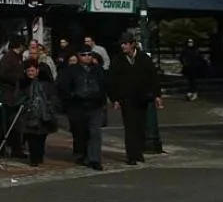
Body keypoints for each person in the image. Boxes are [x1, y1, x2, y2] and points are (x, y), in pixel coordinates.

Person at [107, 30, 161, 165]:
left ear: (133, 44)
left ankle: (138, 152)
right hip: (127, 98)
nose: (123, 47)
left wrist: (156, 95)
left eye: (125, 44)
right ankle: (132, 154)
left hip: (142, 97)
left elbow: (153, 77)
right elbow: (112, 81)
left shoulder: (144, 59)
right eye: (122, 44)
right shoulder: (118, 60)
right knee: (130, 127)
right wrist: (115, 99)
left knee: (140, 126)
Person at [57, 46, 107, 169]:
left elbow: (105, 85)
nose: (87, 57)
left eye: (89, 54)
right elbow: (63, 87)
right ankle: (83, 155)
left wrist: (104, 98)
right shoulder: (71, 70)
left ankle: (94, 159)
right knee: (81, 133)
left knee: (95, 132)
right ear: (79, 56)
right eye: (84, 54)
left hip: (95, 105)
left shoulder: (98, 70)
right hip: (78, 106)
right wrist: (71, 97)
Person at [18, 56, 58, 166]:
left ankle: (38, 156)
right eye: (28, 71)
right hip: (29, 114)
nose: (31, 73)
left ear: (37, 70)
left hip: (43, 113)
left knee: (41, 137)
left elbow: (51, 97)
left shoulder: (45, 84)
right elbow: (19, 97)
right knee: (32, 138)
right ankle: (34, 159)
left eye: (32, 70)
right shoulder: (23, 84)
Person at [0, 34, 27, 159]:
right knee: (6, 124)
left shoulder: (17, 57)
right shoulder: (8, 58)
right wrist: (19, 78)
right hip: (9, 95)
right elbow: (3, 75)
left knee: (16, 125)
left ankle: (16, 149)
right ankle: (1, 150)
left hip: (15, 95)